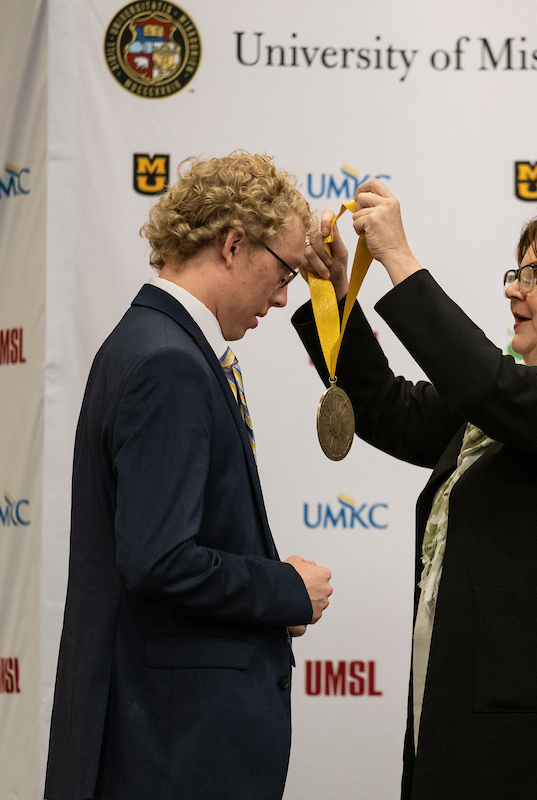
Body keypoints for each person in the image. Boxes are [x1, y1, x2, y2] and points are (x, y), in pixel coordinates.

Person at [293, 180, 537, 799]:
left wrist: (399, 259)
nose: (513, 288)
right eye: (517, 271)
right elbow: (388, 409)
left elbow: (490, 388)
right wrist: (338, 292)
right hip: (462, 712)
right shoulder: (515, 405)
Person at [45, 152, 334, 800]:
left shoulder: (151, 342)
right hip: (170, 751)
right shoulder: (168, 362)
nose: (283, 296)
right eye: (284, 271)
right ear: (233, 245)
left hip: (161, 739)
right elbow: (158, 558)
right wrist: (284, 589)